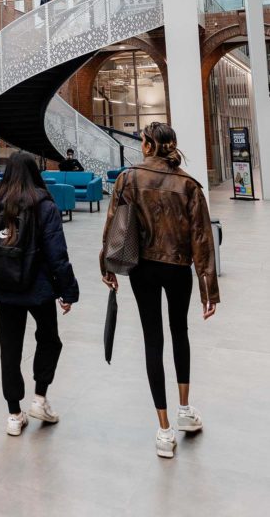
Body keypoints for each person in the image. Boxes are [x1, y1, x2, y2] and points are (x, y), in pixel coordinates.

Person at [100, 121, 219, 460]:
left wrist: (107, 267)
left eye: (143, 142)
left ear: (149, 145)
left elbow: (113, 225)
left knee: (153, 339)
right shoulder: (189, 185)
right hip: (178, 267)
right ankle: (184, 409)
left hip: (142, 268)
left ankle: (164, 430)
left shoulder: (128, 178)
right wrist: (208, 288)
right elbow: (201, 239)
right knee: (179, 332)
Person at [0, 151, 79, 437]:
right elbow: (57, 253)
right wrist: (67, 290)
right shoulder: (44, 205)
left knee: (9, 350)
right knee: (49, 339)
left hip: (5, 288)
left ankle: (14, 413)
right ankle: (39, 398)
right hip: (39, 288)